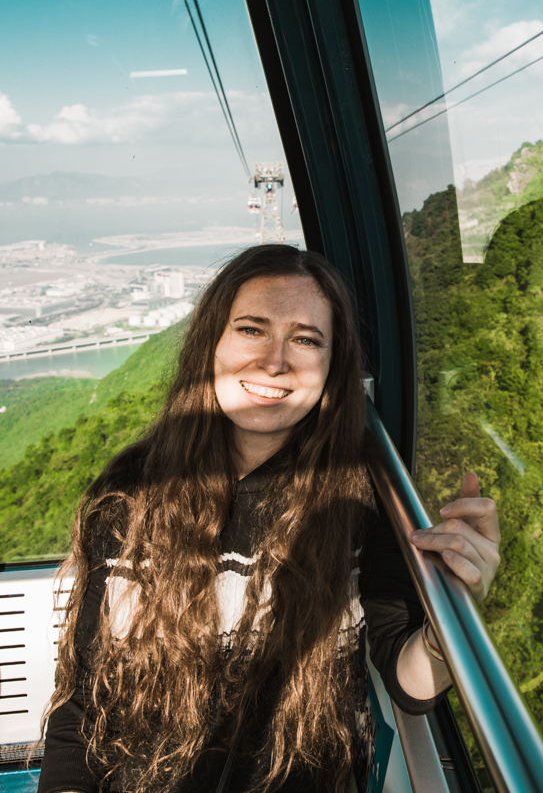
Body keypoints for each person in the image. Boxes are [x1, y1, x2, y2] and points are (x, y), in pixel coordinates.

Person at [38, 244, 501, 793]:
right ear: (212, 342)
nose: (274, 361)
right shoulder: (131, 493)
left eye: (305, 340)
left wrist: (453, 614)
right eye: (252, 330)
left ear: (332, 368)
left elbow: (411, 686)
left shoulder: (361, 506)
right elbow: (84, 710)